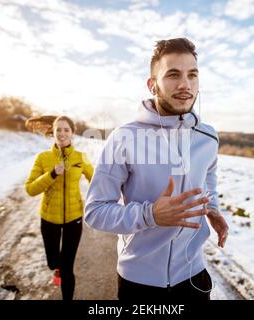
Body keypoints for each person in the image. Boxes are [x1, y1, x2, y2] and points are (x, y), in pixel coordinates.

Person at [84, 38, 229, 301]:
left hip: (194, 276)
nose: (185, 85)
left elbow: (209, 177)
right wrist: (150, 214)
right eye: (173, 75)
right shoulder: (124, 137)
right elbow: (95, 212)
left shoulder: (208, 137)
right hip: (140, 282)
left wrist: (213, 209)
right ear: (153, 85)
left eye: (192, 75)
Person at [25, 115, 94, 300]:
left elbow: (96, 181)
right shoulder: (43, 158)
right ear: (53, 133)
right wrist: (52, 174)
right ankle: (56, 268)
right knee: (54, 262)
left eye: (66, 130)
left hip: (74, 219)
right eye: (58, 130)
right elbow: (30, 189)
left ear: (72, 133)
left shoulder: (80, 157)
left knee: (67, 267)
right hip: (49, 219)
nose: (62, 133)